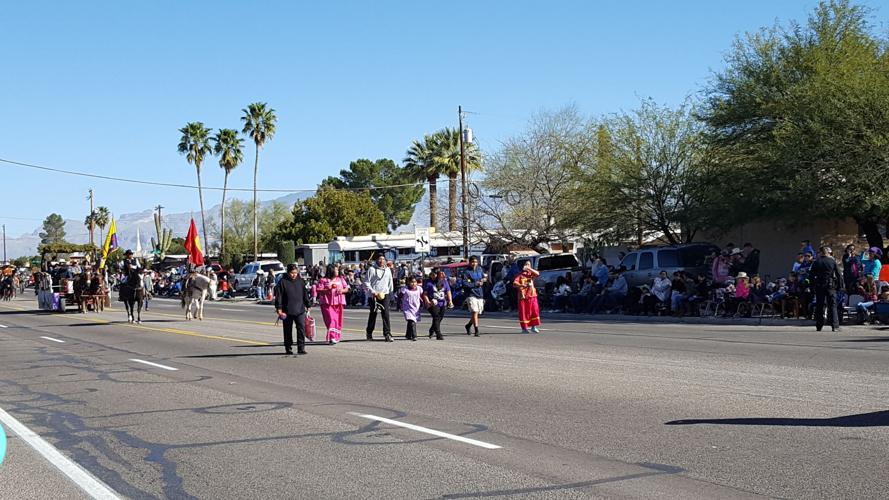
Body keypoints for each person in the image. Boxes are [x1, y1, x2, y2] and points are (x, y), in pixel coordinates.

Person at [273, 264, 312, 355]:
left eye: (295, 273)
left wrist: (308, 304)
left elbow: (304, 294)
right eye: (291, 273)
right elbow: (279, 296)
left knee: (301, 328)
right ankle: (288, 348)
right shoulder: (282, 282)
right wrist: (279, 308)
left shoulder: (300, 281)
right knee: (287, 330)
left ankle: (301, 347)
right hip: (287, 310)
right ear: (288, 272)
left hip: (300, 309)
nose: (293, 275)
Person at [809, 246, 844, 332]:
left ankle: (819, 326)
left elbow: (811, 276)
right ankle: (835, 326)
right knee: (832, 305)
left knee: (819, 305)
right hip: (830, 285)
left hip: (819, 285)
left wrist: (812, 287)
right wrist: (840, 286)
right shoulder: (832, 261)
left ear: (821, 253)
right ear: (827, 252)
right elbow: (839, 275)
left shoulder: (816, 262)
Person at [315, 264, 350, 344]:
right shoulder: (323, 280)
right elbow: (318, 290)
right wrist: (327, 289)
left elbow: (346, 288)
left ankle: (336, 336)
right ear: (331, 271)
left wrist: (342, 291)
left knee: (338, 320)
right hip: (327, 303)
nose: (338, 271)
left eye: (338, 270)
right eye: (336, 270)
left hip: (338, 302)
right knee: (331, 320)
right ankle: (332, 336)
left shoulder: (340, 279)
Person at [364, 255, 394, 342]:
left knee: (386, 314)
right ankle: (369, 332)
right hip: (374, 295)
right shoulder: (371, 269)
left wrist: (391, 295)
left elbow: (390, 283)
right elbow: (366, 282)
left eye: (383, 259)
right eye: (379, 259)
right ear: (376, 260)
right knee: (373, 314)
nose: (381, 260)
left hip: (385, 294)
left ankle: (387, 334)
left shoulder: (388, 270)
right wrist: (373, 291)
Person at [512, 260, 541, 333]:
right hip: (523, 296)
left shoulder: (531, 274)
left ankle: (533, 327)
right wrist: (523, 285)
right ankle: (524, 328)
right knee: (524, 312)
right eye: (526, 264)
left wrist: (529, 268)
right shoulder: (520, 275)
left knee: (534, 311)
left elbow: (537, 274)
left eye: (529, 264)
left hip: (532, 295)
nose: (528, 266)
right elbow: (514, 284)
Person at [461, 256, 486, 336]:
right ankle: (476, 330)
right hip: (471, 294)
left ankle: (468, 325)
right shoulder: (466, 272)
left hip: (479, 293)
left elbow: (483, 277)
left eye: (475, 262)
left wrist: (483, 280)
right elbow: (464, 283)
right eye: (472, 262)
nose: (474, 264)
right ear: (469, 262)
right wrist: (475, 284)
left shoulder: (479, 269)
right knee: (474, 311)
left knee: (477, 313)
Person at [423, 270, 452, 340]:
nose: (434, 276)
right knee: (436, 317)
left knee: (440, 318)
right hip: (432, 303)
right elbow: (425, 294)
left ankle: (432, 329)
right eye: (433, 275)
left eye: (436, 275)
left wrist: (450, 301)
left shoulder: (444, 282)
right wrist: (428, 302)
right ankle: (438, 334)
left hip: (442, 303)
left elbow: (448, 291)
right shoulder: (428, 283)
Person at [400, 275, 423, 341]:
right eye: (412, 282)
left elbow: (422, 296)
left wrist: (424, 302)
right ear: (408, 282)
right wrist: (399, 305)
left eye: (415, 282)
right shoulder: (405, 289)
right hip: (407, 307)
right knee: (412, 320)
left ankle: (408, 335)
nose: (414, 284)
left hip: (416, 307)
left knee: (411, 321)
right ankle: (414, 335)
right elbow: (399, 297)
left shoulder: (419, 289)